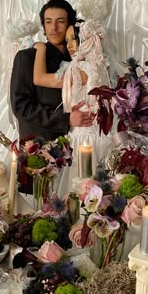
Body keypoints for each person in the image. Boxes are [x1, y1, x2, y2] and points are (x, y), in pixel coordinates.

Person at [33, 19, 112, 195]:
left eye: (72, 39)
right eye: (67, 40)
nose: (68, 45)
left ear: (85, 41)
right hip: (93, 135)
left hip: (84, 140)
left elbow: (39, 78)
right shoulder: (97, 67)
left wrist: (40, 48)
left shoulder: (80, 69)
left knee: (82, 192)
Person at [10, 0, 94, 141]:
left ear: (70, 25)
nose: (53, 28)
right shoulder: (27, 57)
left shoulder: (80, 59)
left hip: (79, 141)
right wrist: (65, 119)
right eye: (48, 22)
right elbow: (21, 106)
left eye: (60, 21)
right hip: (39, 149)